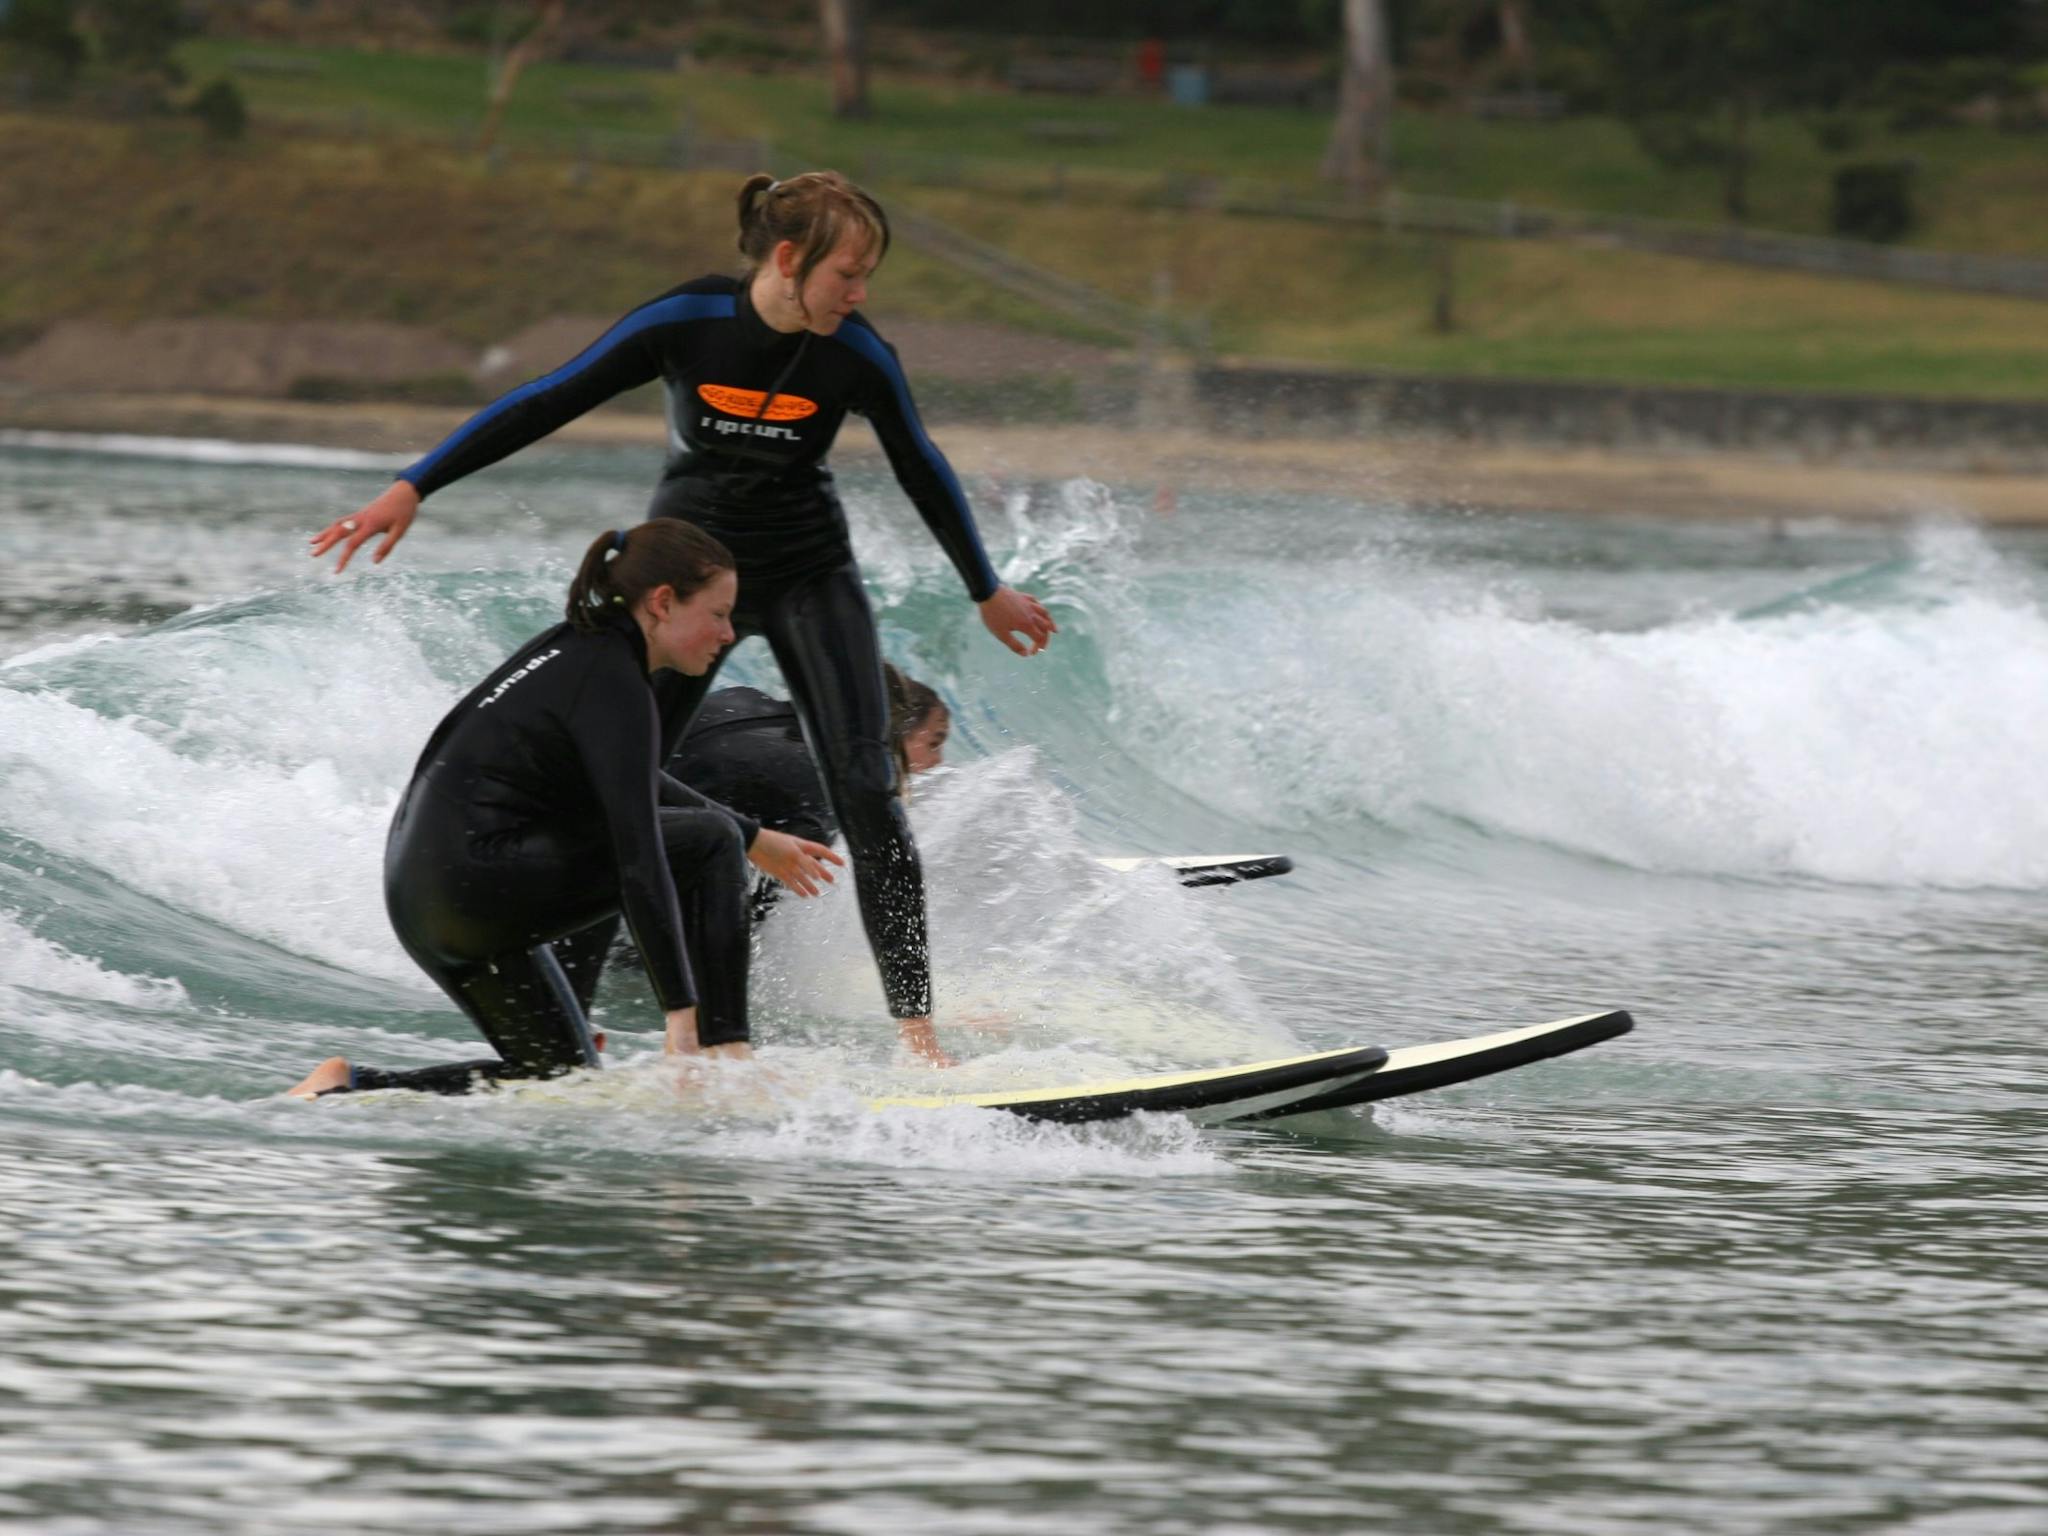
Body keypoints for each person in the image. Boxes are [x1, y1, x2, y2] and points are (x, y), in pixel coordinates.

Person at [308, 169, 1052, 1067]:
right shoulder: (685, 323)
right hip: (691, 581)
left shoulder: (856, 353)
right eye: (847, 275)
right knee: (623, 785)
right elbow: (549, 397)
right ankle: (580, 1018)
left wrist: (984, 586)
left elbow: (919, 463)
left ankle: (918, 1034)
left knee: (864, 786)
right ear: (788, 259)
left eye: (865, 280)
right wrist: (412, 484)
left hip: (810, 571)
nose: (859, 296)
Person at [285, 522, 842, 1099]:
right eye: (719, 614)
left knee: (553, 1077)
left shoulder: (582, 652)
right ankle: (725, 1052)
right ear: (664, 602)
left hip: (431, 902)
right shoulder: (613, 681)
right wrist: (681, 1017)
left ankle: (347, 1087)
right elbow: (639, 857)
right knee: (707, 837)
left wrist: (755, 836)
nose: (728, 634)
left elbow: (633, 780)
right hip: (476, 883)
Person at [669, 665, 947, 920]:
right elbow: (754, 913)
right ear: (888, 736)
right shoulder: (820, 792)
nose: (939, 761)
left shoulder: (739, 697)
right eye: (934, 743)